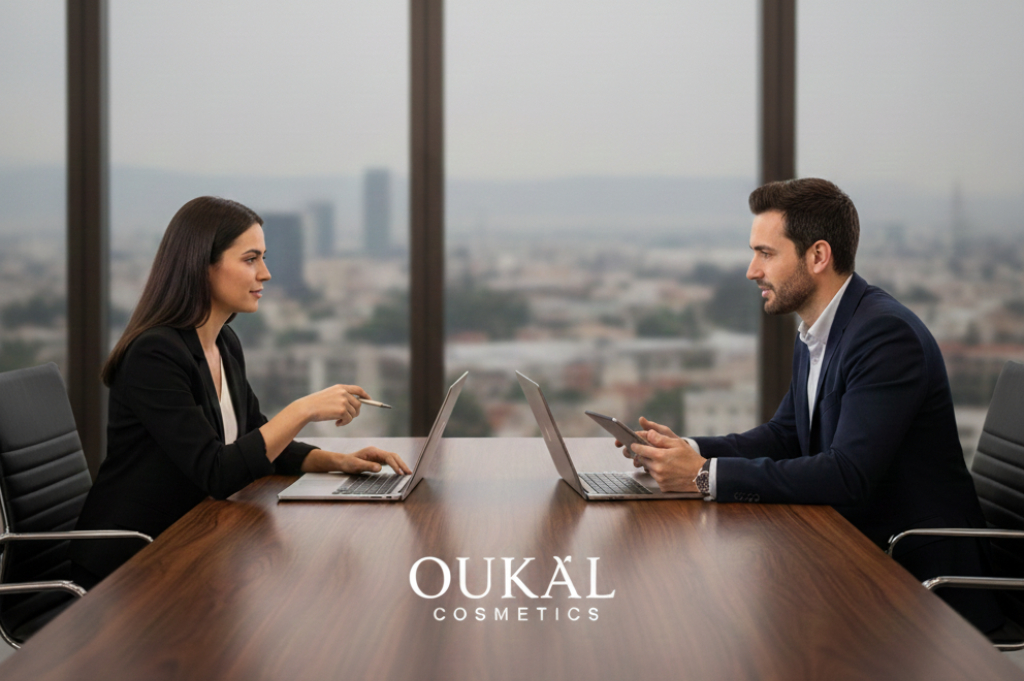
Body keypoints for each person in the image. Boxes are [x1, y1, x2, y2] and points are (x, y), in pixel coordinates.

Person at [626, 178, 1005, 635]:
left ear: (818, 256)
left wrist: (704, 474)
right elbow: (785, 435)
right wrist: (682, 449)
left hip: (919, 578)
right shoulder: (817, 329)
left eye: (766, 253)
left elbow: (848, 474)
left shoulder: (885, 335)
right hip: (858, 551)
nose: (751, 270)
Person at [70, 196, 411, 588]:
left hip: (191, 545)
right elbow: (217, 472)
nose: (265, 274)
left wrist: (338, 461)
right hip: (131, 567)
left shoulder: (223, 342)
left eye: (263, 258)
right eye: (250, 259)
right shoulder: (155, 354)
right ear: (203, 266)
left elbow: (255, 440)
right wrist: (302, 409)